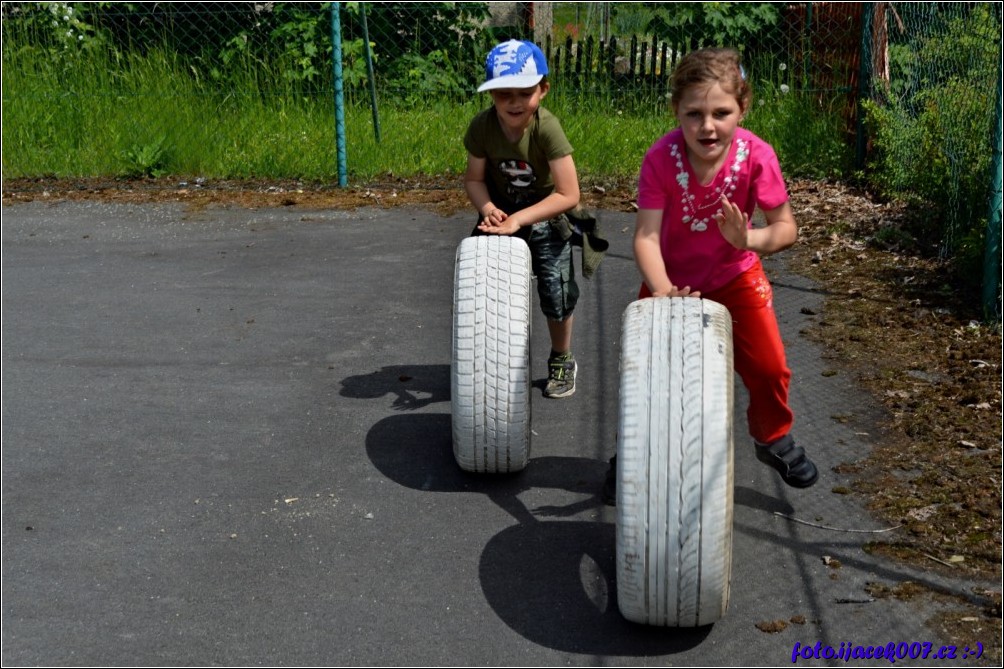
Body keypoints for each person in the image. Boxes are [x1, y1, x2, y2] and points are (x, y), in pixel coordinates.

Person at [604, 47, 817, 502]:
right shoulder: (660, 158)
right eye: (694, 113)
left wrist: (750, 241)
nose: (708, 126)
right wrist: (661, 289)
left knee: (770, 367)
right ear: (675, 111)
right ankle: (632, 453)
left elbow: (786, 229)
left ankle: (771, 435)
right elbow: (645, 236)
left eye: (721, 112)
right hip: (672, 281)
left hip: (735, 275)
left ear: (742, 108)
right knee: (647, 376)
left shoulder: (757, 155)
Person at [463, 39, 583, 399]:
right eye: (503, 94)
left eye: (524, 92)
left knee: (556, 290)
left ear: (542, 90)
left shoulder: (547, 129)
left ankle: (561, 356)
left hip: (547, 213)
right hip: (500, 214)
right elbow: (473, 180)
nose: (514, 102)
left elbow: (569, 194)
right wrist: (487, 209)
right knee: (481, 286)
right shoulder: (482, 127)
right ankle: (491, 359)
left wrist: (520, 220)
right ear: (491, 95)